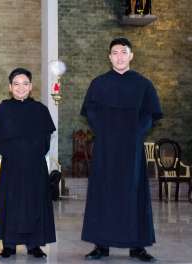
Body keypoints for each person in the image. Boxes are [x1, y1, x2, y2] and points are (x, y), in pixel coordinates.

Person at [81, 37, 162, 262]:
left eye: (123, 52)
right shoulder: (98, 84)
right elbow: (91, 112)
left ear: (131, 55)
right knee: (103, 194)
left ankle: (138, 247)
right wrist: (106, 132)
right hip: (106, 148)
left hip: (132, 148)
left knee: (134, 195)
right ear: (109, 57)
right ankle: (101, 245)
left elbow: (149, 115)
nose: (119, 56)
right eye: (115, 52)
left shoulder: (143, 84)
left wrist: (136, 132)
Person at [0, 68, 56, 259]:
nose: (21, 87)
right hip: (11, 166)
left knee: (35, 204)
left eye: (25, 83)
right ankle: (8, 245)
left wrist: (31, 153)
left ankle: (34, 245)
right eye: (16, 84)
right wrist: (13, 153)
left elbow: (46, 140)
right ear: (10, 87)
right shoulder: (3, 109)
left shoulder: (41, 110)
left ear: (31, 87)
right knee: (10, 204)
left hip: (35, 166)